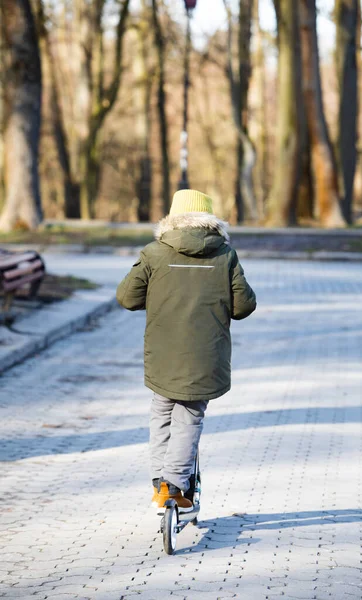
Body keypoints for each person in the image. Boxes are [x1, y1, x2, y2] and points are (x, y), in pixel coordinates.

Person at [116, 189, 256, 513]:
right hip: (206, 356)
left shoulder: (154, 253)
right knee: (189, 417)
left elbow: (127, 297)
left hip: (163, 355)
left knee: (162, 412)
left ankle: (159, 486)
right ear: (211, 221)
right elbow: (244, 305)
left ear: (171, 219)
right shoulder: (225, 255)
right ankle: (174, 485)